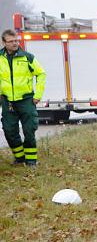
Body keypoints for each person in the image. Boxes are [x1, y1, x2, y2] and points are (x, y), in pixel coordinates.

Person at [0, 29, 46, 167]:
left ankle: (31, 161)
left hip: (26, 100)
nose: (15, 43)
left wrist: (38, 95)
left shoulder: (28, 57)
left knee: (29, 130)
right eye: (11, 41)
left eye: (16, 40)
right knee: (9, 131)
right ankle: (20, 158)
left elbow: (41, 74)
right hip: (8, 101)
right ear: (4, 42)